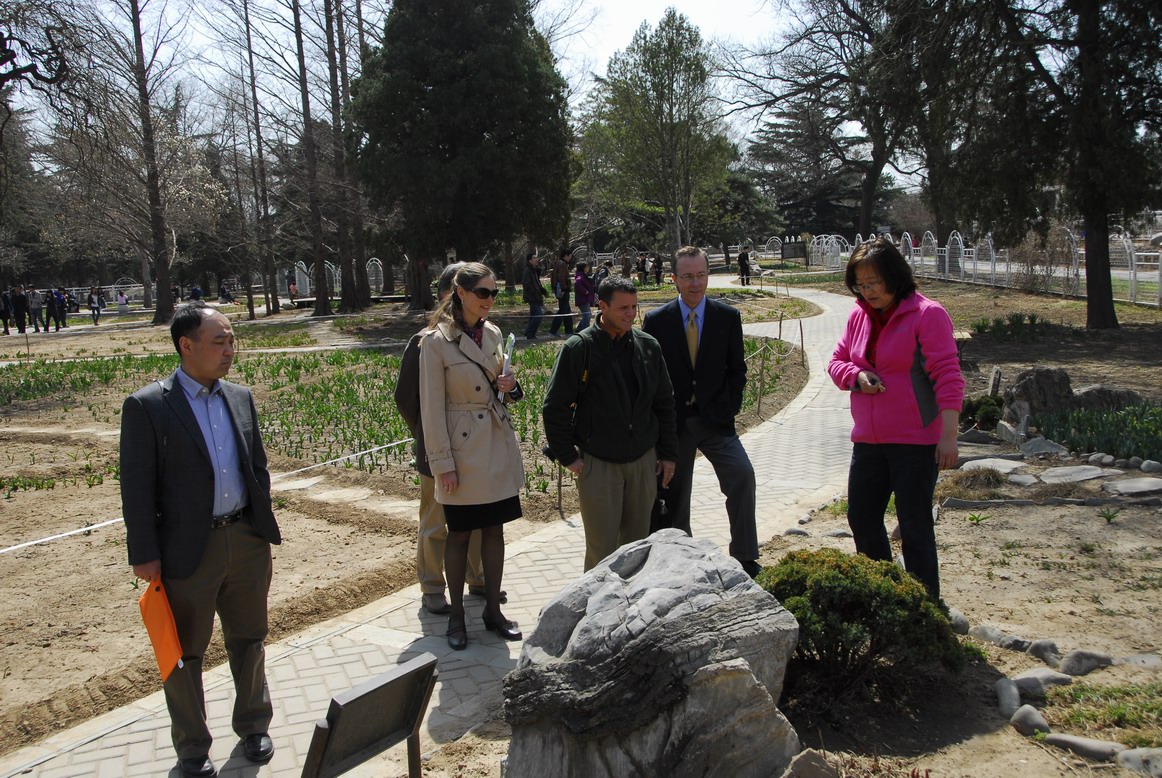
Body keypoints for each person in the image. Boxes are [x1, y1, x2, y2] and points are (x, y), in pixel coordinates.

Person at [120, 302, 281, 777]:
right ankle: (192, 747)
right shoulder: (149, 406)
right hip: (187, 551)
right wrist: (145, 554)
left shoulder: (239, 397)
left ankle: (254, 724)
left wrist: (259, 525)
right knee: (185, 653)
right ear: (186, 345)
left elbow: (257, 467)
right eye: (219, 342)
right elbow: (136, 488)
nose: (230, 350)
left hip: (245, 540)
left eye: (232, 340)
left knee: (250, 639)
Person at [827, 237, 964, 600]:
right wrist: (856, 376)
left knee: (915, 527)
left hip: (915, 443)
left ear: (895, 275)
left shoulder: (927, 314)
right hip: (868, 441)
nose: (867, 291)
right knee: (862, 518)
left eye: (874, 282)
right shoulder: (858, 315)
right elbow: (837, 362)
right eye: (861, 284)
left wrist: (949, 435)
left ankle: (926, 607)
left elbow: (948, 376)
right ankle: (885, 597)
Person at [419, 262, 524, 650]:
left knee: (495, 530)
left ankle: (492, 611)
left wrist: (510, 385)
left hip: (494, 444)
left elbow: (501, 389)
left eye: (494, 293)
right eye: (483, 292)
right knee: (459, 534)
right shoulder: (435, 342)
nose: (489, 300)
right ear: (460, 293)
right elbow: (431, 410)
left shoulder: (493, 333)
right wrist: (442, 464)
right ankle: (457, 618)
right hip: (462, 451)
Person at [542, 276, 678, 571]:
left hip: (642, 460)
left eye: (634, 307)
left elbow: (664, 403)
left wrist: (668, 454)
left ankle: (632, 600)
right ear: (602, 306)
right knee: (601, 551)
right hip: (598, 463)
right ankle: (595, 601)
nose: (630, 314)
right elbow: (555, 407)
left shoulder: (648, 346)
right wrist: (568, 456)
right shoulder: (579, 349)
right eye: (623, 308)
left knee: (637, 547)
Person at [643, 246, 761, 577]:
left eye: (701, 275)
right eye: (687, 276)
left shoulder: (727, 316)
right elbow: (651, 377)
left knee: (742, 475)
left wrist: (730, 406)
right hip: (675, 424)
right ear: (674, 279)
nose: (695, 283)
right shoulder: (657, 320)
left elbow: (737, 370)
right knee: (675, 494)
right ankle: (681, 561)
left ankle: (745, 555)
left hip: (715, 420)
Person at [395, 262, 493, 615]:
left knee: (477, 519)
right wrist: (427, 435)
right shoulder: (425, 342)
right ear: (448, 296)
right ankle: (432, 587)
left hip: (475, 447)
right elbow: (406, 398)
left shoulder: (484, 335)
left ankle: (478, 578)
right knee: (436, 522)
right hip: (436, 449)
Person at [546, 247, 574, 338]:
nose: (570, 258)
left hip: (561, 289)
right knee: (562, 310)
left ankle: (569, 331)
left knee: (567, 311)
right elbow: (561, 277)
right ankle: (553, 331)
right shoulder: (562, 264)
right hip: (563, 290)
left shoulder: (560, 263)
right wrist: (563, 289)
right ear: (565, 256)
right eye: (569, 256)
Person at [521, 251, 546, 340]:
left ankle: (531, 334)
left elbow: (536, 283)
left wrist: (541, 290)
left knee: (534, 315)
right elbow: (526, 284)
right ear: (530, 260)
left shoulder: (534, 270)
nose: (536, 259)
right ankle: (529, 332)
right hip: (532, 297)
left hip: (536, 296)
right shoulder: (528, 270)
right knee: (539, 314)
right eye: (534, 258)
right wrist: (534, 292)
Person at [574, 261, 596, 330]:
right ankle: (585, 330)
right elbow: (577, 284)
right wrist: (585, 291)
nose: (588, 268)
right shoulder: (580, 276)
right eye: (587, 267)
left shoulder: (583, 275)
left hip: (585, 299)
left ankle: (579, 329)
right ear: (583, 268)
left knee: (587, 315)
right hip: (582, 299)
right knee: (587, 316)